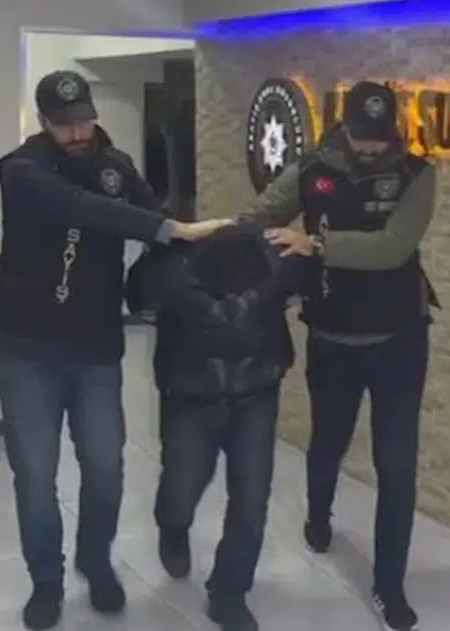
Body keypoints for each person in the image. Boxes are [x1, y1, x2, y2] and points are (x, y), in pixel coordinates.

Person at [0, 69, 231, 630]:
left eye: (85, 121)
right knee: (36, 473)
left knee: (104, 465)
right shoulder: (21, 170)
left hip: (94, 345)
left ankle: (95, 562)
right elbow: (82, 209)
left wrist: (202, 257)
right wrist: (170, 228)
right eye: (64, 125)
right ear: (44, 123)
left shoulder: (114, 165)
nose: (78, 133)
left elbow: (151, 223)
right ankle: (46, 581)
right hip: (24, 347)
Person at [240, 81, 438, 631]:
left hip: (399, 338)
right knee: (327, 442)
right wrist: (230, 242)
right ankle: (318, 515)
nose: (372, 148)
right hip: (332, 336)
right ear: (345, 128)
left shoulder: (417, 175)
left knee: (396, 465)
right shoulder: (312, 169)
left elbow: (394, 246)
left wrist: (318, 245)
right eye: (362, 136)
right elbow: (260, 213)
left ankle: (389, 586)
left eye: (381, 138)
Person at [125, 223, 302, 631]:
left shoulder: (278, 261)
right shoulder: (168, 266)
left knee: (251, 497)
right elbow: (137, 300)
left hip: (256, 391)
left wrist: (310, 246)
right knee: (183, 485)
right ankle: (173, 526)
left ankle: (229, 591)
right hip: (191, 395)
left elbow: (303, 290)